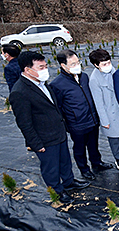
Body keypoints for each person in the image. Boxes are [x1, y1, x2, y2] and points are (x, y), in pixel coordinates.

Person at [9, 51, 89, 203]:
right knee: (51, 167)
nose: (45, 69)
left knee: (65, 160)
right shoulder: (20, 92)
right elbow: (24, 123)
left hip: (58, 132)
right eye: (41, 67)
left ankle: (68, 182)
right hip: (44, 139)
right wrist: (36, 144)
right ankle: (57, 191)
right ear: (27, 70)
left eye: (45, 65)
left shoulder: (41, 83)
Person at [50, 50, 112, 181]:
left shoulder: (84, 77)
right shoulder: (57, 85)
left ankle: (97, 163)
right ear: (63, 66)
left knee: (94, 144)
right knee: (79, 149)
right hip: (77, 123)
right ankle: (84, 169)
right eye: (73, 64)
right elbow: (59, 107)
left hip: (92, 119)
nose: (77, 65)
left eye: (78, 62)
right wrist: (68, 124)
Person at [88, 49, 119, 170]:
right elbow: (99, 103)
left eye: (109, 62)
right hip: (109, 112)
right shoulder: (94, 80)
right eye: (104, 64)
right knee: (113, 137)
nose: (108, 66)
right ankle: (118, 158)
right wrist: (104, 121)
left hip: (118, 108)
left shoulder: (112, 70)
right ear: (96, 65)